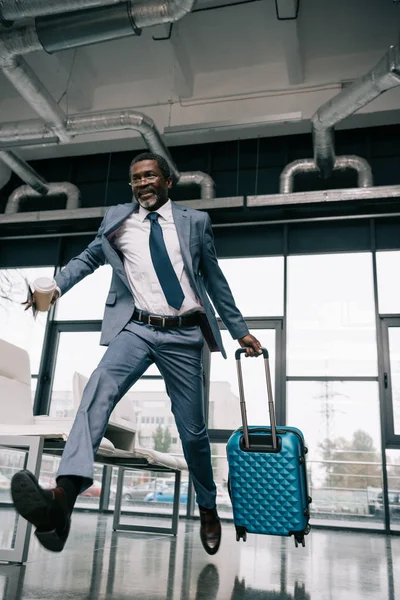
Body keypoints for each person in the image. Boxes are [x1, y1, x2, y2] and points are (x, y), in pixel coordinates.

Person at [11, 152, 262, 556]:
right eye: (135, 178)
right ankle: (63, 499)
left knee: (193, 433)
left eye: (149, 176)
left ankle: (208, 506)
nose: (142, 183)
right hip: (137, 327)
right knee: (97, 391)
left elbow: (215, 281)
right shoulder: (117, 218)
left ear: (167, 180)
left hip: (184, 336)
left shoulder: (195, 222)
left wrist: (240, 331)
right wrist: (53, 288)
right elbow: (88, 258)